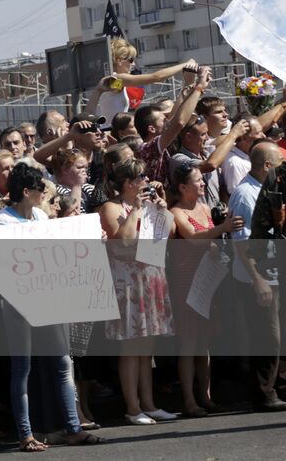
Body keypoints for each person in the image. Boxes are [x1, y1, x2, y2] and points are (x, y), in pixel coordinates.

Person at [0, 164, 99, 450]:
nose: (44, 193)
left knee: (63, 363)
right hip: (19, 305)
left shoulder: (38, 215)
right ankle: (26, 434)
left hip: (47, 297)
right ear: (26, 192)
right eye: (40, 188)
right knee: (22, 368)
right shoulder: (2, 222)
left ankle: (73, 427)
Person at [97, 159, 179, 424]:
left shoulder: (150, 203)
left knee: (147, 346)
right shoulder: (111, 207)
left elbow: (170, 232)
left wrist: (163, 209)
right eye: (141, 177)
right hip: (127, 281)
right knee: (131, 347)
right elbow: (125, 239)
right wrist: (136, 209)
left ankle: (149, 403)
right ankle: (133, 408)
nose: (146, 180)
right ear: (129, 182)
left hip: (151, 276)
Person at [167, 161, 241, 416]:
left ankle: (206, 396)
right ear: (182, 186)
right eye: (197, 180)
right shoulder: (176, 211)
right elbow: (193, 238)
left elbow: (209, 241)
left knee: (204, 342)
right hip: (186, 282)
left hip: (207, 280)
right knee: (189, 342)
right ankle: (189, 400)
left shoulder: (204, 207)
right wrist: (222, 228)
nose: (202, 184)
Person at [227, 140, 286, 411]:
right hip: (258, 276)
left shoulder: (271, 189)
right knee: (267, 335)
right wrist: (257, 280)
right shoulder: (245, 194)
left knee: (279, 334)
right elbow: (241, 242)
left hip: (276, 270)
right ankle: (263, 393)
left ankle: (278, 384)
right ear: (266, 165)